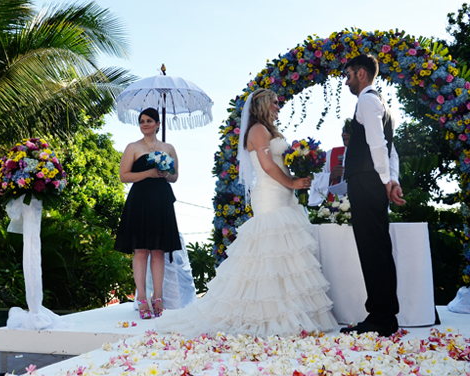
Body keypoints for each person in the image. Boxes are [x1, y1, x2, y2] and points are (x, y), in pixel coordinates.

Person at [155, 89, 337, 337]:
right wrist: (292, 182)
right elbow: (267, 165)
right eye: (274, 103)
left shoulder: (271, 131)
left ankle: (291, 311)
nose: (278, 107)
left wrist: (297, 172)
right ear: (262, 104)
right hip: (271, 195)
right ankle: (269, 312)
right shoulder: (258, 130)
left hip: (284, 194)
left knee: (287, 254)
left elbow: (279, 162)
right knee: (270, 251)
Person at [340, 54, 405, 336]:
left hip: (366, 181)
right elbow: (392, 150)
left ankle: (379, 318)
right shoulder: (382, 103)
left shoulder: (366, 101)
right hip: (376, 181)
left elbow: (378, 145)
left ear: (361, 73)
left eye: (349, 75)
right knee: (380, 248)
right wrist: (392, 180)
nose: (347, 82)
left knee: (371, 249)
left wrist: (384, 181)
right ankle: (386, 316)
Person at [115, 107, 182, 319]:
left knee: (159, 250)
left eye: (149, 120)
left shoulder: (168, 148)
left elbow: (175, 177)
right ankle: (142, 298)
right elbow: (124, 176)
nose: (145, 124)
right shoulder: (133, 147)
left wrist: (164, 173)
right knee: (141, 250)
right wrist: (149, 173)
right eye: (142, 121)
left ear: (158, 124)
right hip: (140, 201)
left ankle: (158, 297)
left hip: (161, 201)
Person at [308, 119, 352, 206]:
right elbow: (316, 179)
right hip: (336, 207)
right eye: (343, 131)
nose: (344, 134)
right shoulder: (331, 154)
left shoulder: (369, 155)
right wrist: (331, 176)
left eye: (348, 131)